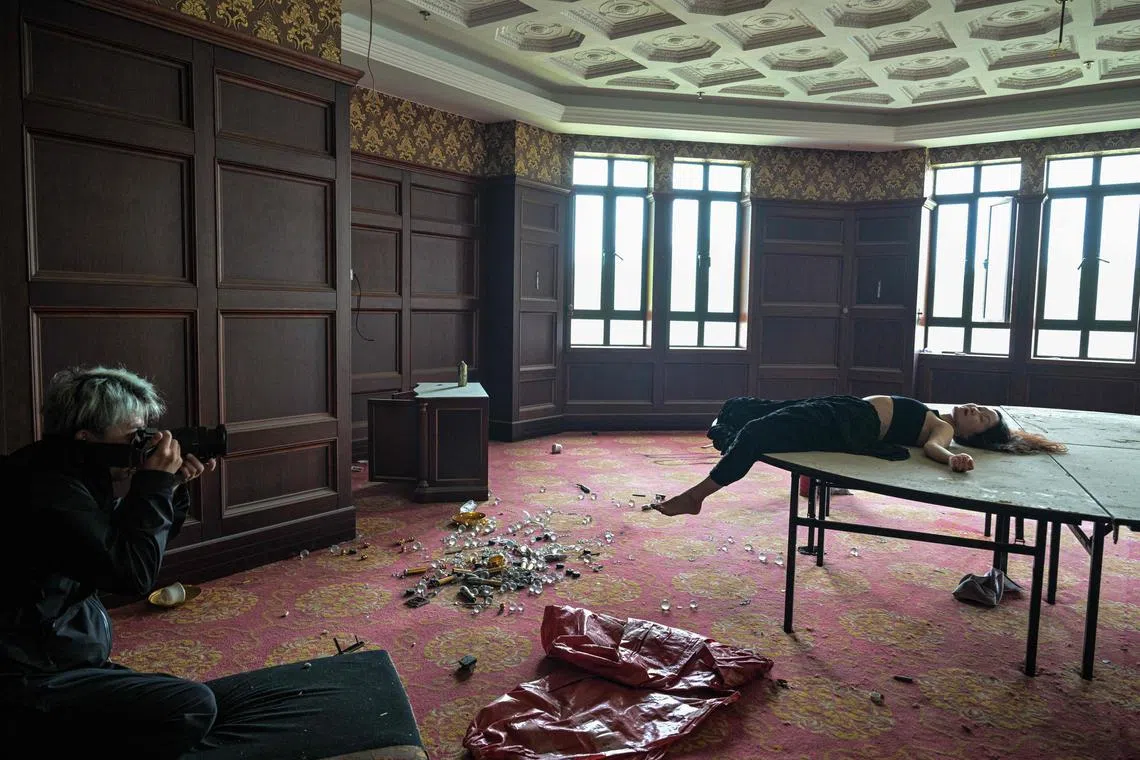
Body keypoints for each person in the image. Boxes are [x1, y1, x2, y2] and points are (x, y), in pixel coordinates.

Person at [0, 366, 218, 757]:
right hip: (27, 677)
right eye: (134, 436)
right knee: (192, 707)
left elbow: (121, 536)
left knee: (163, 699)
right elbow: (132, 573)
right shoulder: (48, 494)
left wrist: (169, 489)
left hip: (55, 655)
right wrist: (153, 486)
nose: (144, 446)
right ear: (86, 438)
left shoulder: (59, 472)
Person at [653, 394, 1066, 517]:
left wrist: (951, 458)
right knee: (745, 409)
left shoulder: (944, 429)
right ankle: (728, 447)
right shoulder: (940, 411)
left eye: (981, 418)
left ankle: (698, 496)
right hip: (845, 408)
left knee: (758, 430)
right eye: (978, 406)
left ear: (974, 436)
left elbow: (935, 447)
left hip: (852, 421)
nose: (973, 410)